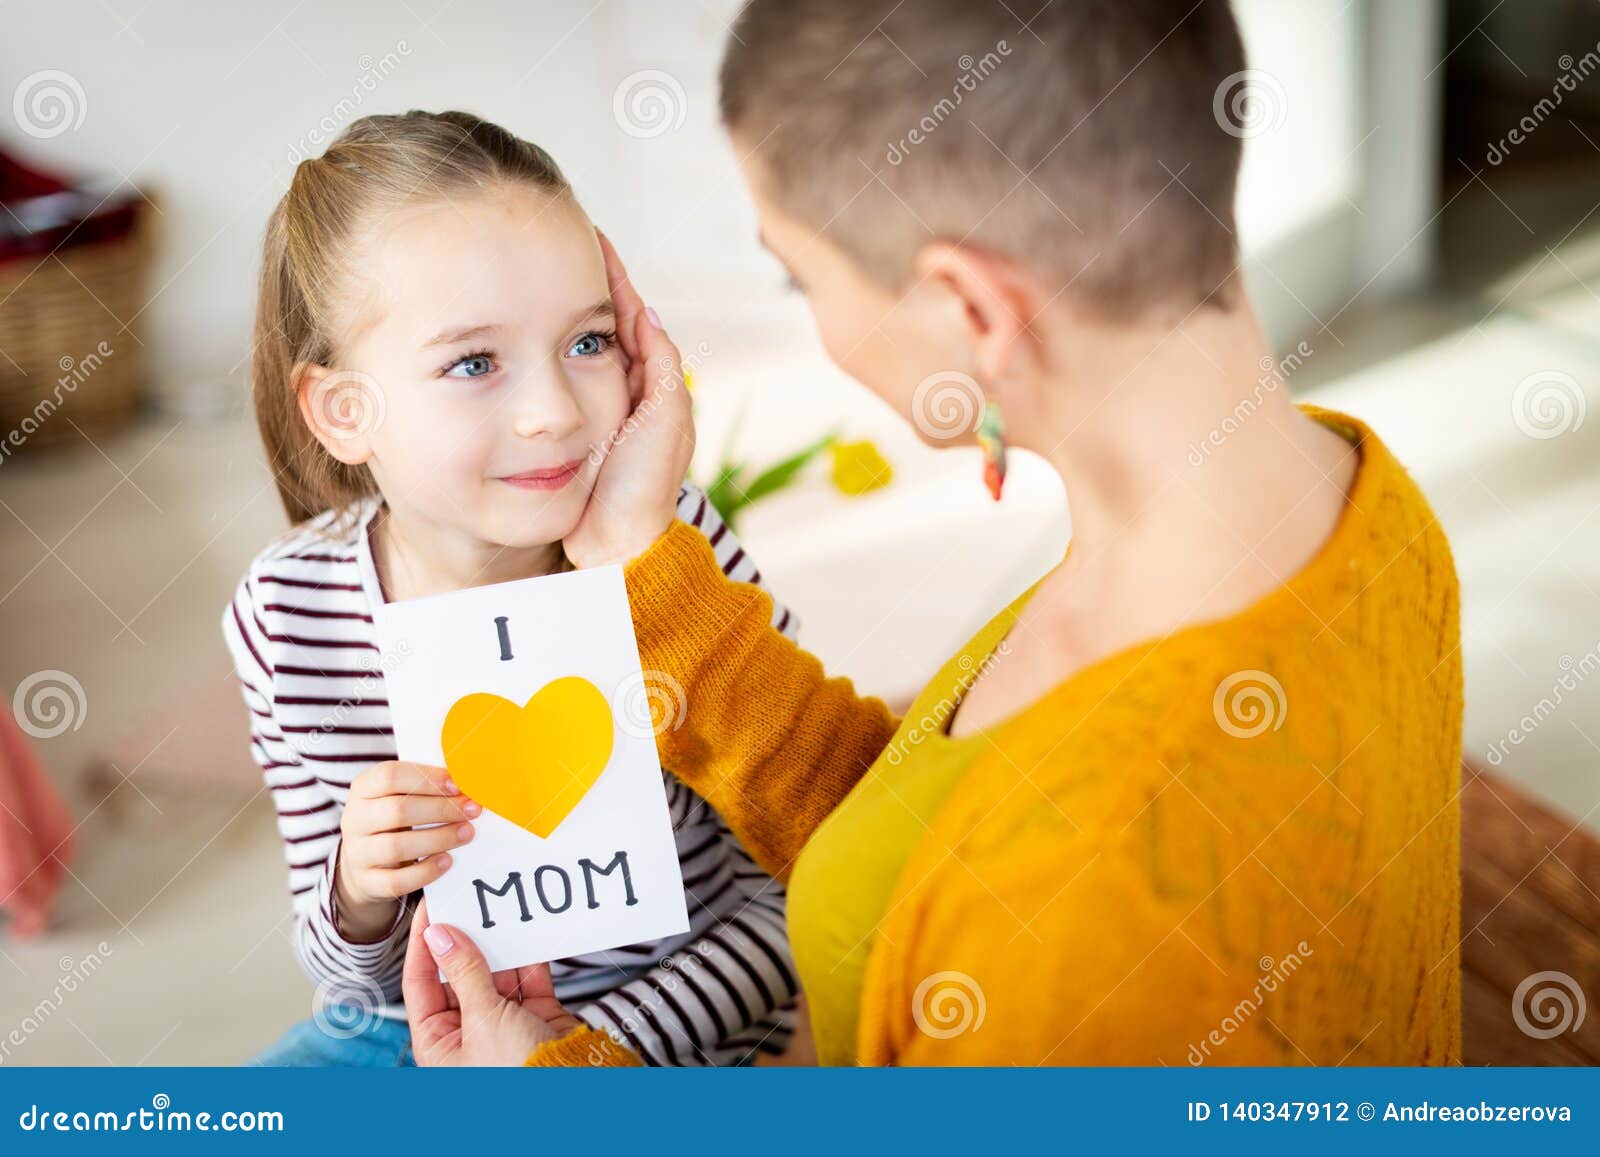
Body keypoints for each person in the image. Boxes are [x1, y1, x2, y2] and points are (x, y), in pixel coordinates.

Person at [405, 0, 1462, 1066]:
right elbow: (924, 844)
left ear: (971, 310)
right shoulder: (1354, 499)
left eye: (801, 274)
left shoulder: (1091, 905)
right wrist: (644, 561)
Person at [221, 110, 798, 1066]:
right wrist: (359, 890)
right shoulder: (290, 614)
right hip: (416, 1032)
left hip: (674, 1029)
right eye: (475, 362)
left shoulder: (674, 548)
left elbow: (798, 887)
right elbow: (347, 975)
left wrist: (584, 1054)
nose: (554, 414)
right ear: (341, 411)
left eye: (588, 342)